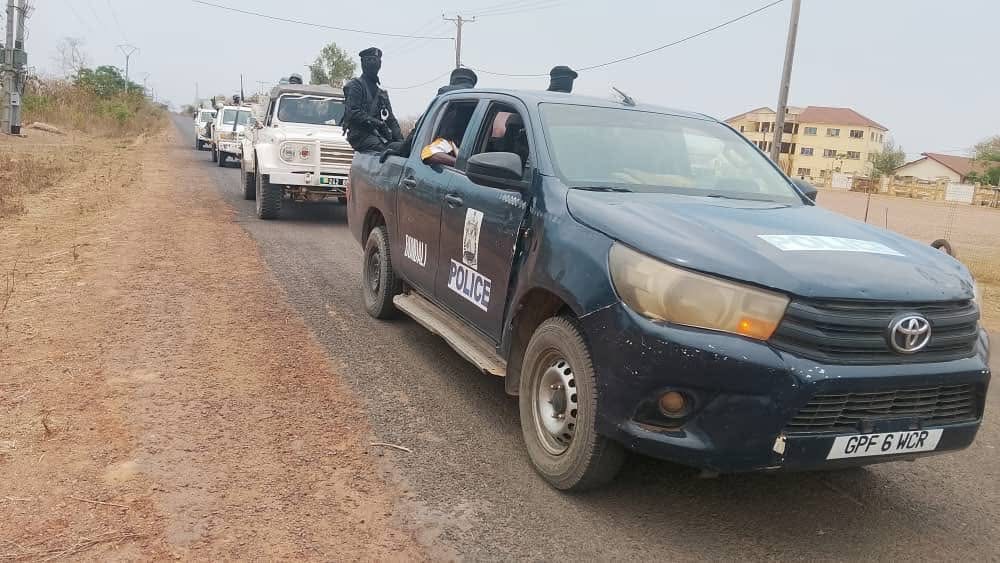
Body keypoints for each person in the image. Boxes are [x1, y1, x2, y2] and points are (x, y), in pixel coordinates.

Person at [379, 67, 478, 163]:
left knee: (392, 146)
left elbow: (422, 126)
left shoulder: (446, 94)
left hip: (446, 144)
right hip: (468, 149)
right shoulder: (479, 101)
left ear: (452, 80)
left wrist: (401, 151)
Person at [342, 47, 402, 153]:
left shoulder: (382, 94)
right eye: (369, 60)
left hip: (378, 136)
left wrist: (402, 142)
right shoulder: (355, 86)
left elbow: (391, 120)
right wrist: (378, 123)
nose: (373, 63)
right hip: (360, 135)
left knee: (401, 149)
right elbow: (353, 112)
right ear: (363, 63)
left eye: (376, 60)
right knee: (388, 151)